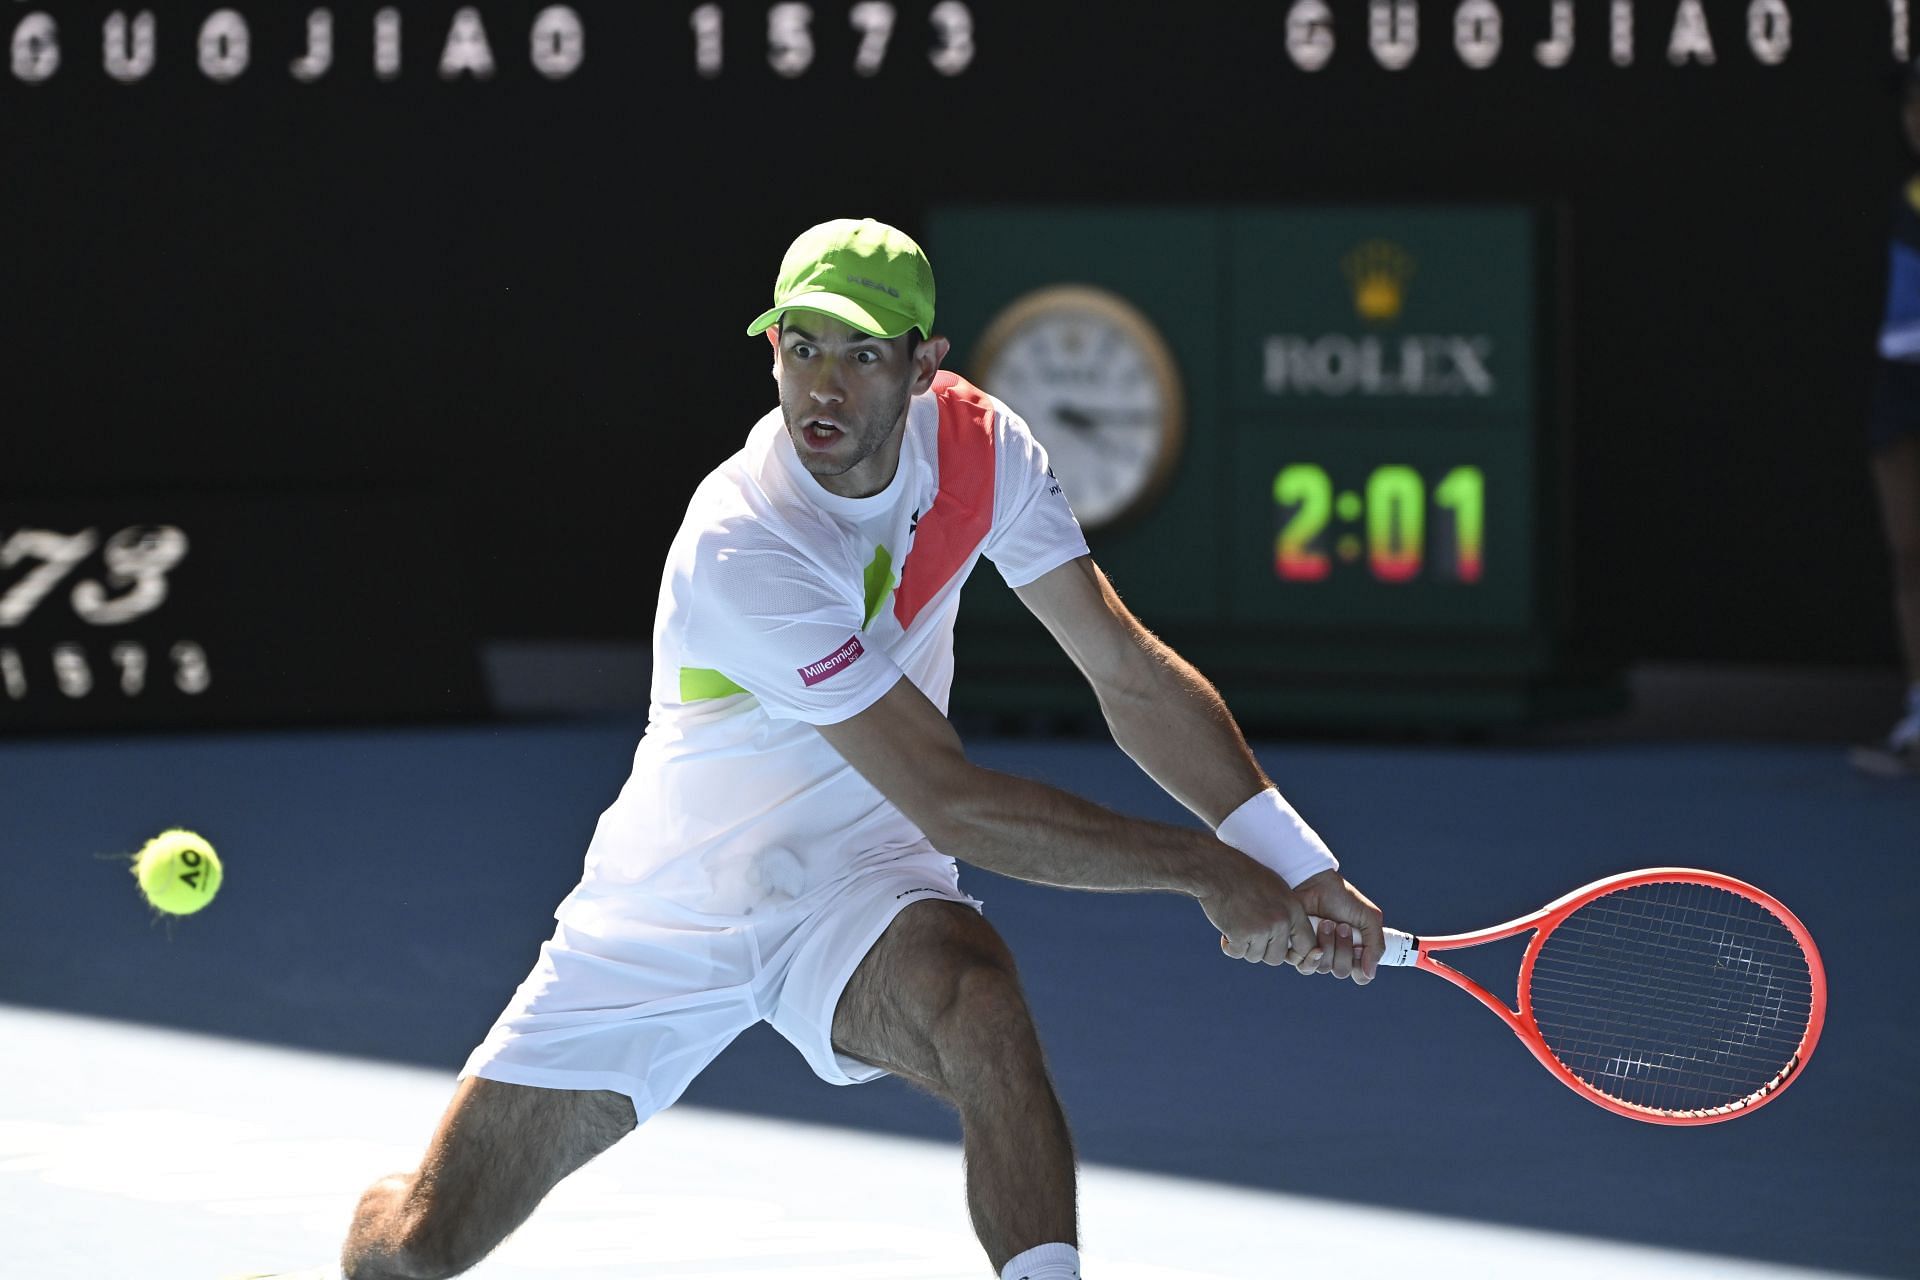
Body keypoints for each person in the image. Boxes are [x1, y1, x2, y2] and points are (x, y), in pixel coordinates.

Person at [249, 218, 1386, 1280]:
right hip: (672, 907)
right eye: (799, 349)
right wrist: (1206, 868)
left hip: (860, 879)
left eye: (861, 353)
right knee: (418, 1245)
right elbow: (953, 801)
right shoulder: (746, 541)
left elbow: (1126, 669)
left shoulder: (985, 454)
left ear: (925, 363)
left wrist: (1291, 856)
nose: (824, 386)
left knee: (979, 1003)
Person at [1854, 62, 1920, 778]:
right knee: (1910, 552)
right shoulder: (1910, 199)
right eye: (1911, 110)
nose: (1915, 121)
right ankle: (1919, 712)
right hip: (1901, 394)